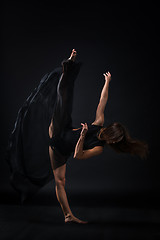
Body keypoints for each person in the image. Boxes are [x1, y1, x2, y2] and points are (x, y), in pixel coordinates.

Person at [5, 49, 148, 224]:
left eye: (114, 142)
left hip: (59, 149)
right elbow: (102, 100)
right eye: (112, 137)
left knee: (61, 181)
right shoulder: (99, 123)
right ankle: (69, 64)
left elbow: (78, 155)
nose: (110, 141)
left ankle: (67, 216)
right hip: (60, 129)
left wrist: (81, 137)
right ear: (110, 131)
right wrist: (107, 82)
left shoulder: (98, 149)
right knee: (64, 99)